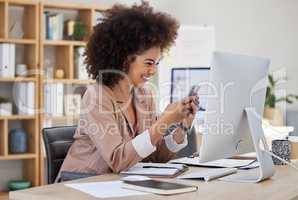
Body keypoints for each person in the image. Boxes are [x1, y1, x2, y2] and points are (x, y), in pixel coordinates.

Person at [59, 1, 199, 182]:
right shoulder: (97, 96)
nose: (153, 71)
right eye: (148, 63)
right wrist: (164, 120)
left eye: (156, 64)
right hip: (81, 183)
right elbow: (118, 160)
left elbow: (157, 158)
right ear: (124, 58)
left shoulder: (145, 95)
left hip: (119, 184)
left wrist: (181, 126)